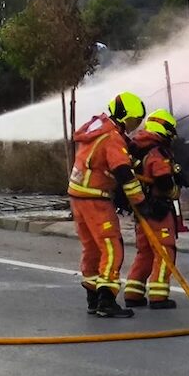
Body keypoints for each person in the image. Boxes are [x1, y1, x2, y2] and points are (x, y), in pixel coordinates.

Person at [68, 92, 146, 318]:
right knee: (112, 248)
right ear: (124, 117)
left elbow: (105, 157)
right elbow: (123, 172)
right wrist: (140, 202)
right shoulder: (112, 137)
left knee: (91, 248)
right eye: (134, 120)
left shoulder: (97, 126)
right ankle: (107, 301)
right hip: (95, 198)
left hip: (78, 195)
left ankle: (93, 299)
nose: (135, 125)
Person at [124, 109, 189, 310]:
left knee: (144, 251)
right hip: (158, 209)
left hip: (141, 209)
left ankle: (133, 293)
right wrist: (175, 190)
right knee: (165, 250)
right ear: (165, 130)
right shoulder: (157, 152)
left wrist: (177, 171)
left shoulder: (138, 147)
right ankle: (158, 296)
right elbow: (163, 182)